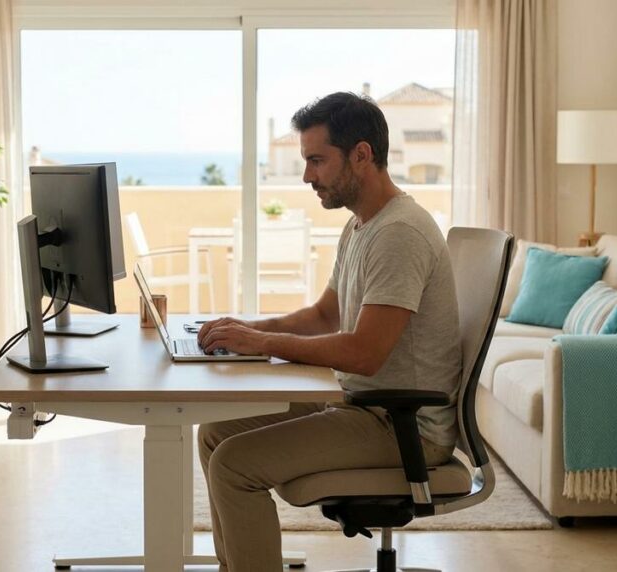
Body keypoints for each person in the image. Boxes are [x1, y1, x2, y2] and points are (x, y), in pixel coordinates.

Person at [196, 91, 462, 572]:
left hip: (402, 426)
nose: (306, 176)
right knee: (215, 434)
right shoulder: (362, 225)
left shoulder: (400, 233)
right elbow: (325, 314)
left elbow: (364, 354)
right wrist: (249, 329)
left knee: (235, 465)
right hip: (361, 405)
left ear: (361, 155)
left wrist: (264, 344)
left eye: (317, 160)